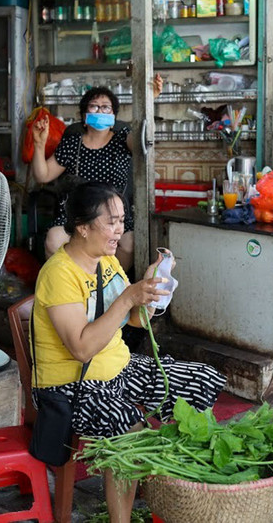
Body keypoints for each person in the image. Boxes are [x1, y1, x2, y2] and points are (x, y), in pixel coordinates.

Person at [31, 182, 226, 522]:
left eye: (122, 220)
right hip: (70, 386)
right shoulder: (59, 274)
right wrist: (128, 297)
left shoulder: (106, 262)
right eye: (111, 221)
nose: (120, 229)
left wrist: (151, 290)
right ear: (82, 226)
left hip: (118, 369)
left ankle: (178, 493)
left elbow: (135, 320)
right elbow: (80, 348)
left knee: (202, 380)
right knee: (129, 427)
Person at [31, 74, 164, 268]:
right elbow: (42, 175)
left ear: (113, 117)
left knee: (129, 242)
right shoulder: (72, 143)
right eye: (94, 106)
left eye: (106, 107)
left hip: (113, 215)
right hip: (79, 214)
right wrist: (39, 144)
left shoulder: (123, 138)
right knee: (53, 238)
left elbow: (141, 141)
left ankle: (111, 288)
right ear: (84, 116)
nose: (99, 110)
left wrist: (148, 101)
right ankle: (71, 285)